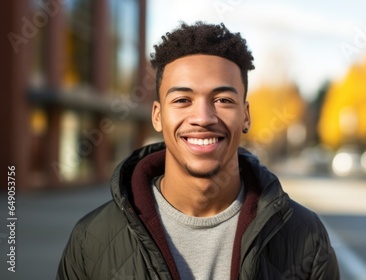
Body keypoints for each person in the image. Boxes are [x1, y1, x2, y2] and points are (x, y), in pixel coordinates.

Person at [57, 22, 340, 280]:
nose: (203, 118)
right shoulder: (91, 240)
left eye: (223, 100)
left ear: (245, 115)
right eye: (182, 99)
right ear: (157, 116)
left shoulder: (306, 238)